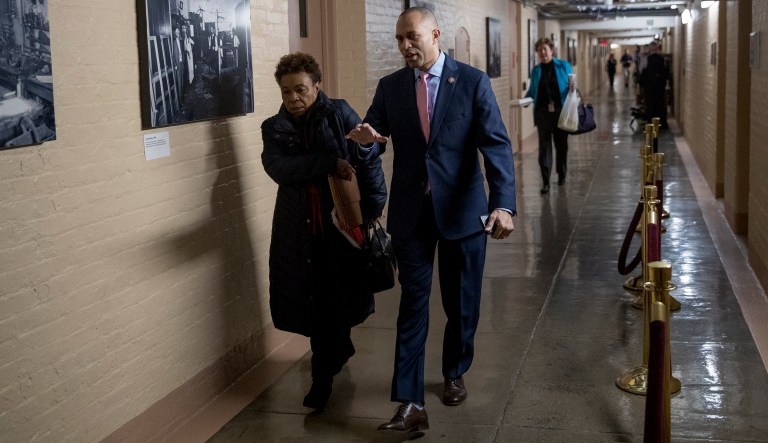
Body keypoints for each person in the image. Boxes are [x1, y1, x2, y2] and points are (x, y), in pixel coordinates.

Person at [345, 7, 516, 433]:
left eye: (412, 37)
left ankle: (455, 369)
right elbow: (374, 140)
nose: (405, 46)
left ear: (435, 34)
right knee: (412, 307)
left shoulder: (472, 82)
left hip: (463, 213)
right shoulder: (390, 88)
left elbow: (496, 146)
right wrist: (365, 144)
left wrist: (504, 205)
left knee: (461, 305)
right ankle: (409, 402)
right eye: (399, 40)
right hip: (412, 215)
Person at [260, 52, 387, 410]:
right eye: (286, 92)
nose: (293, 98)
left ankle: (338, 349)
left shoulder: (340, 113)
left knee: (339, 300)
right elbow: (278, 168)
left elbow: (367, 159)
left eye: (300, 90)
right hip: (297, 231)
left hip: (340, 227)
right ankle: (322, 378)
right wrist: (328, 162)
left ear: (317, 86)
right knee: (316, 304)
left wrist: (374, 207)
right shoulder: (274, 128)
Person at [524, 37, 575, 194]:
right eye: (540, 49)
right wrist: (524, 100)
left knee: (561, 145)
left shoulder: (563, 66)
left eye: (545, 49)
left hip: (560, 111)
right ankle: (546, 181)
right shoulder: (536, 70)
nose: (543, 52)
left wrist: (573, 88)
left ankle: (562, 174)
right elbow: (533, 90)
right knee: (544, 147)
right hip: (542, 113)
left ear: (551, 50)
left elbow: (571, 85)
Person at [641, 41, 669, 129]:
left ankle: (650, 123)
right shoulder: (662, 59)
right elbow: (665, 72)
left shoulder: (645, 59)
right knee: (660, 104)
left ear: (650, 48)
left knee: (650, 105)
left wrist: (642, 85)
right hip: (660, 87)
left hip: (649, 87)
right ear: (657, 48)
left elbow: (641, 72)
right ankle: (661, 123)